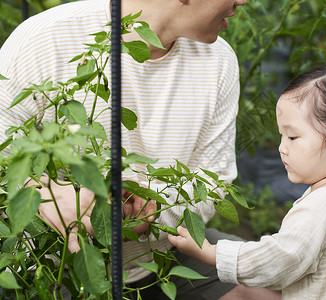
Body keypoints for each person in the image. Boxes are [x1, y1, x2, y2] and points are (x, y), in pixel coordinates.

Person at [0, 0, 282, 299]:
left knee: (274, 290)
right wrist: (45, 190)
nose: (243, 1)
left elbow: (213, 182)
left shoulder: (218, 59)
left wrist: (151, 208)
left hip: (160, 255)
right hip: (53, 260)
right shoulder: (47, 38)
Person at [168, 64, 326, 299]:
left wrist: (210, 253)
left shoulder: (322, 204)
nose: (282, 148)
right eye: (281, 136)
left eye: (293, 137)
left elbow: (280, 260)